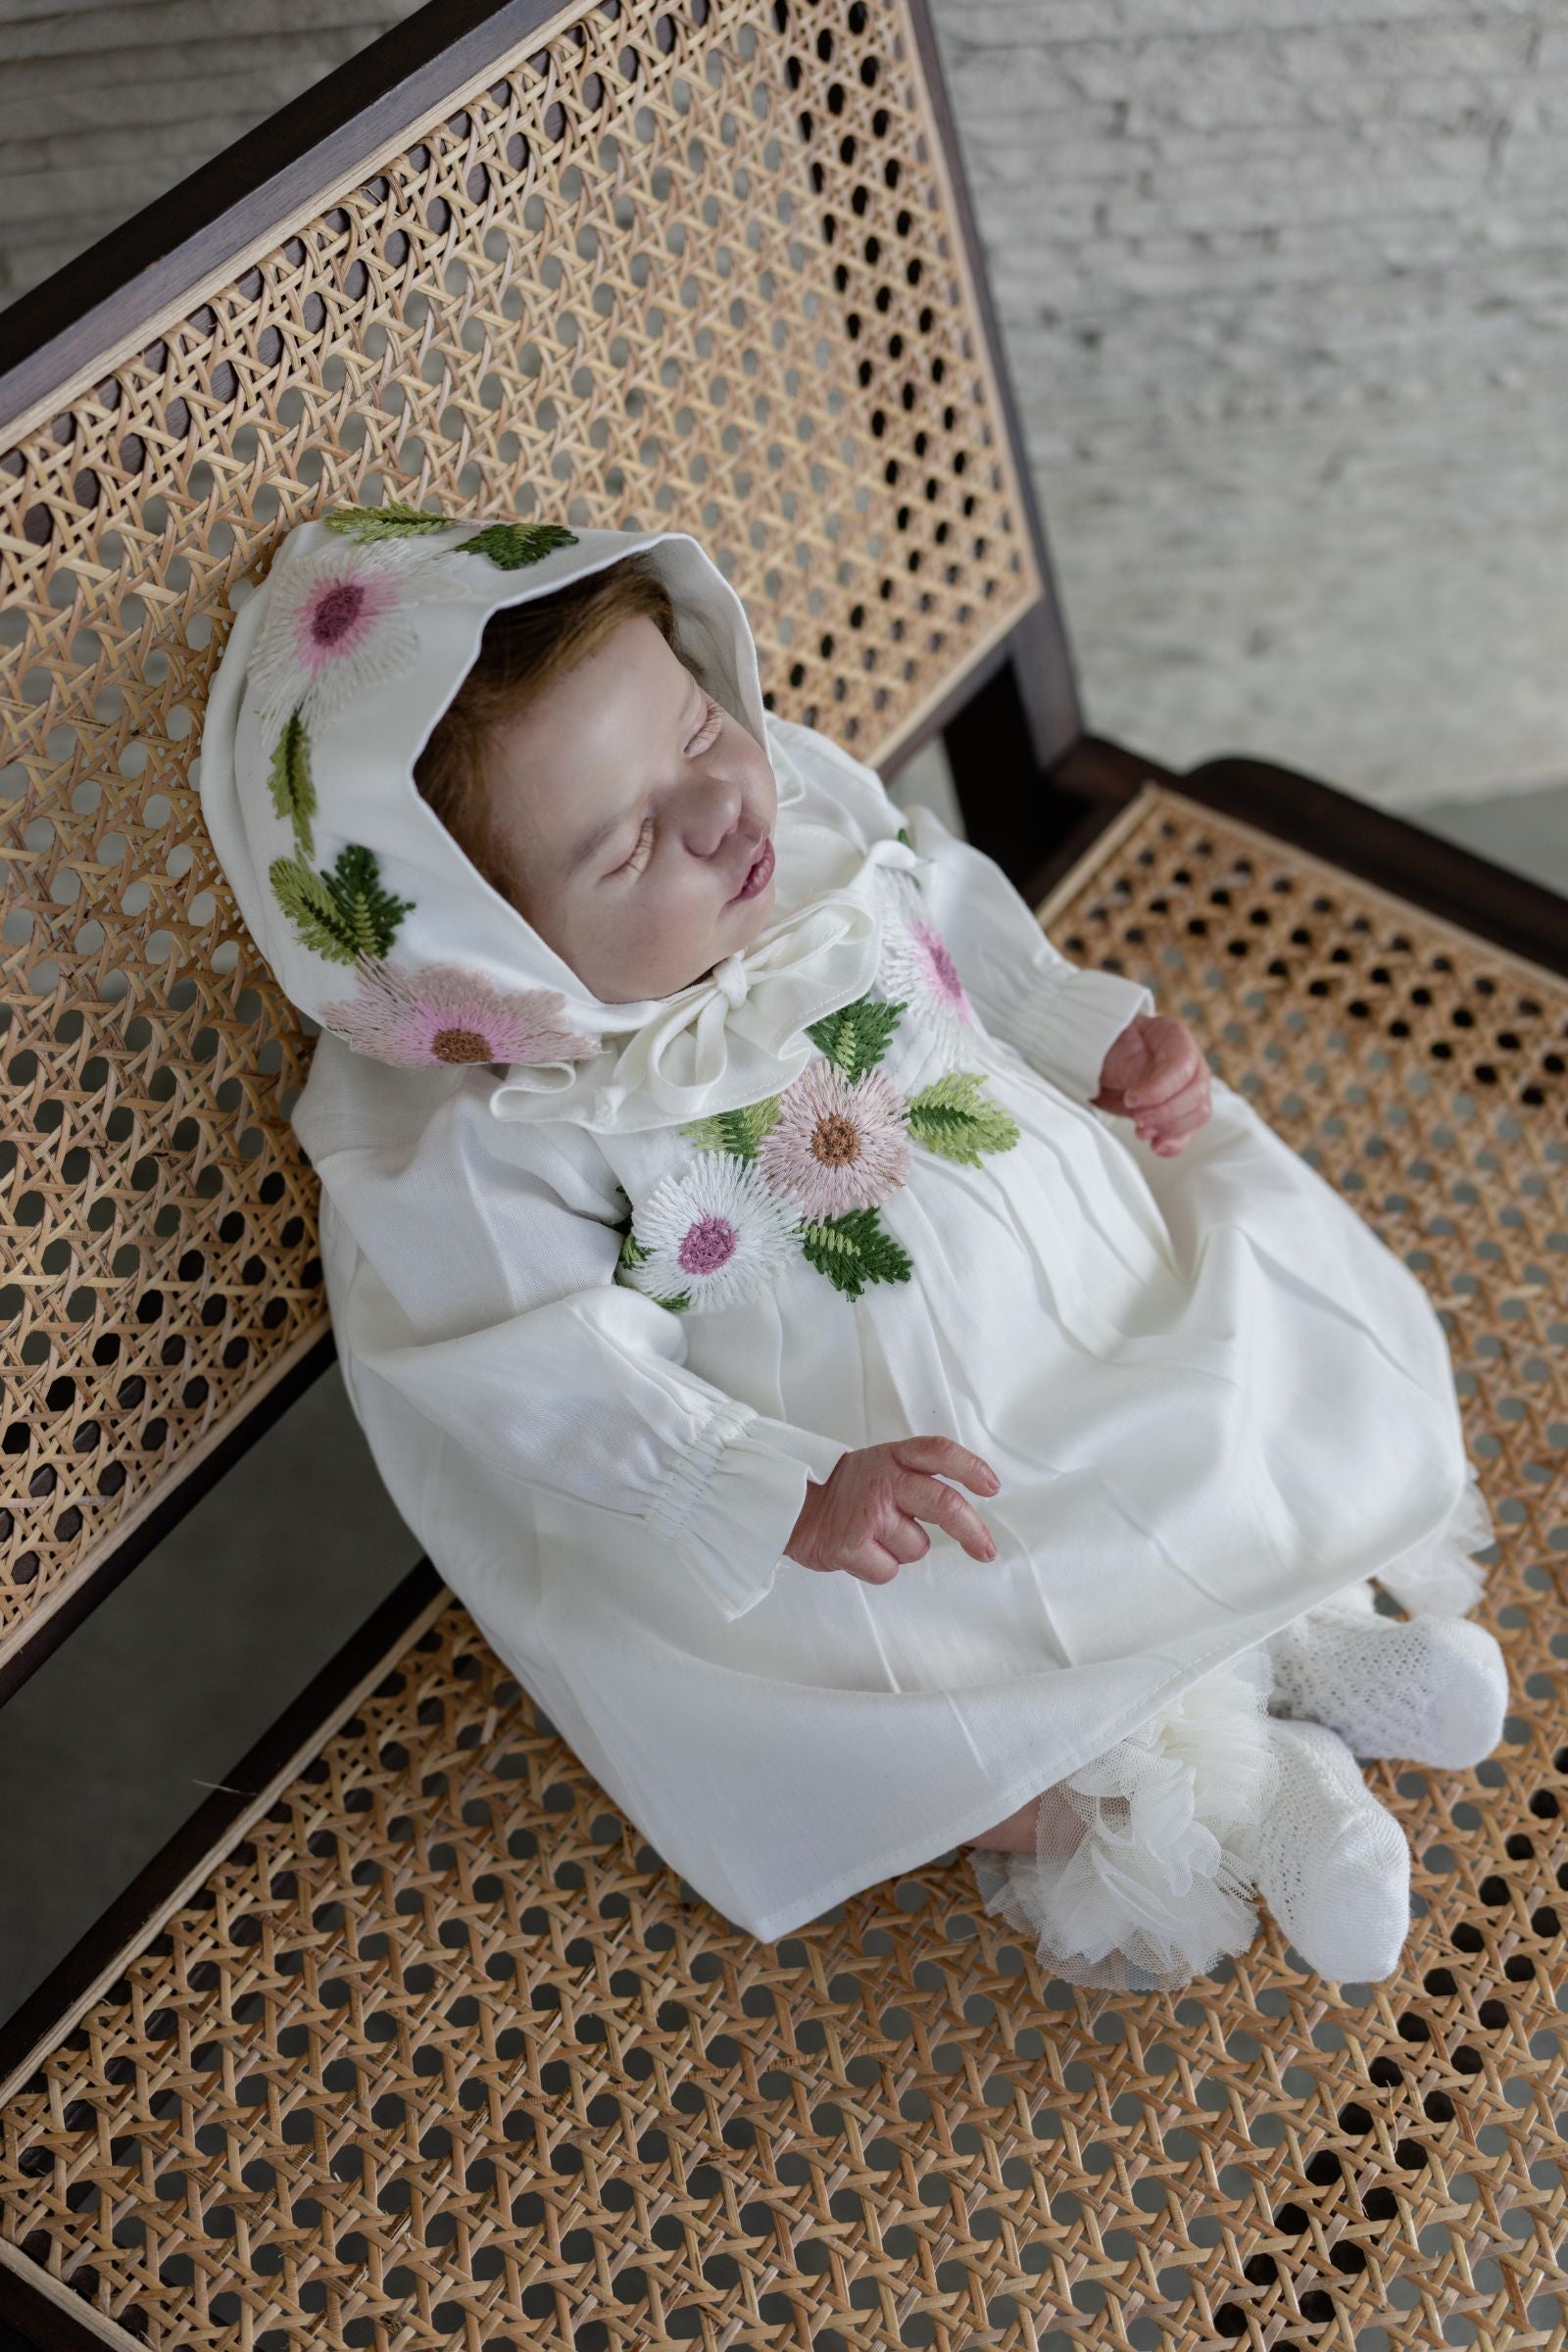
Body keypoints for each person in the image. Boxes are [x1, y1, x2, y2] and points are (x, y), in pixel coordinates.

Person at [197, 507, 1507, 1992]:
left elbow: (951, 914)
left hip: (1070, 1274)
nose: (719, 815)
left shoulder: (801, 818)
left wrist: (1092, 1033)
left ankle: (1315, 1633)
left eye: (700, 730)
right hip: (857, 1467)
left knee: (1215, 1376)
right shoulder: (485, 1129)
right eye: (630, 843)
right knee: (957, 1661)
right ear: (482, 955)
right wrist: (770, 1491)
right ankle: (1239, 1791)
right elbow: (536, 1369)